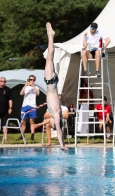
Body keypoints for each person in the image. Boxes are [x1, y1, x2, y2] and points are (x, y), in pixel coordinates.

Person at [44, 22, 67, 150]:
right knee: (49, 57)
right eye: (52, 123)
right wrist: (62, 145)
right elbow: (59, 130)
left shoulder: (52, 112)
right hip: (51, 81)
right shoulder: (57, 114)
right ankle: (50, 35)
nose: (50, 122)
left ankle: (51, 36)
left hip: (52, 82)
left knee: (49, 57)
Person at [20, 75, 40, 140]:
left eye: (33, 80)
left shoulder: (36, 87)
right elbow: (21, 93)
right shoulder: (25, 87)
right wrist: (25, 85)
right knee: (23, 121)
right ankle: (22, 135)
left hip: (32, 106)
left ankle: (32, 135)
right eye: (30, 79)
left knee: (32, 121)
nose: (31, 81)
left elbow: (38, 93)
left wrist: (33, 86)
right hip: (25, 105)